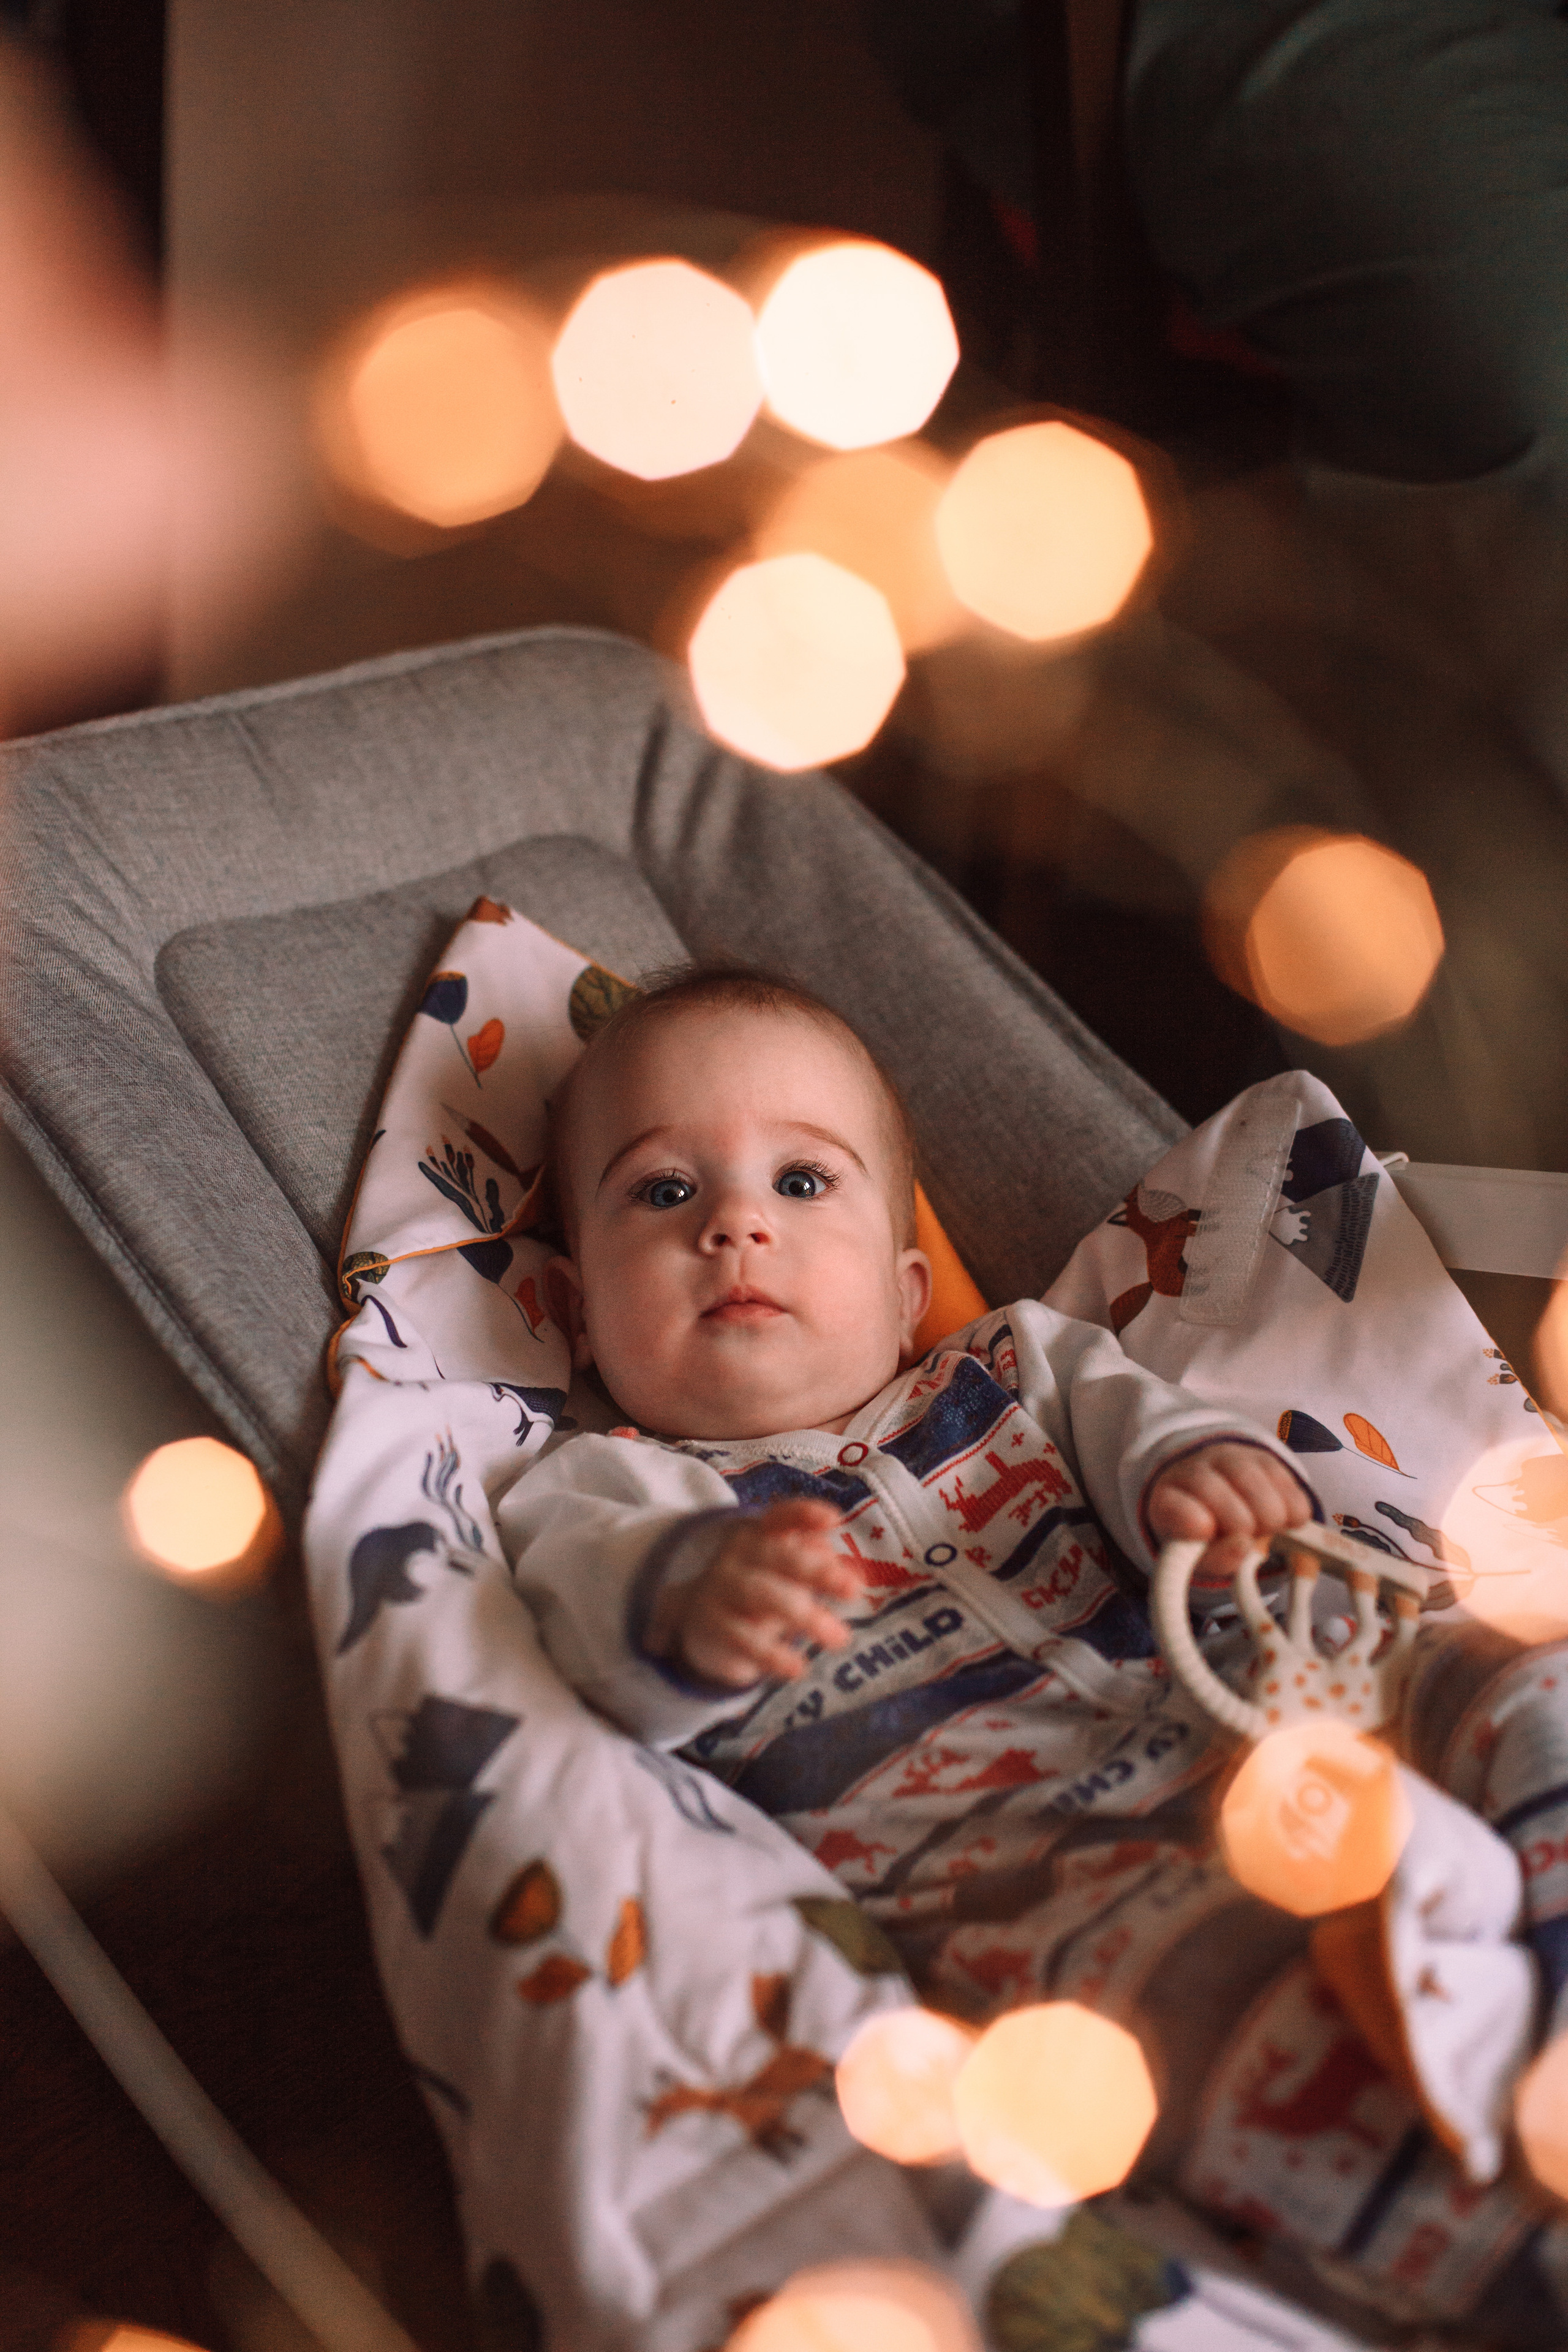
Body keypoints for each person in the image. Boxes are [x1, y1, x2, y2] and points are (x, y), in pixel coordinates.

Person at [500, 962, 1568, 2347]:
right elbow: (597, 1615)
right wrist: (696, 1601)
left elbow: (1147, 1424)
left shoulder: (1013, 1362)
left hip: (1261, 1691)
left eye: (803, 1184)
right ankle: (1502, 2246)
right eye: (662, 1195)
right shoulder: (613, 1489)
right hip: (1024, 1850)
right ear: (582, 1318)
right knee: (1202, 2017)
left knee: (1521, 1677)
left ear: (901, 1293)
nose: (737, 1228)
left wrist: (1200, 1469)